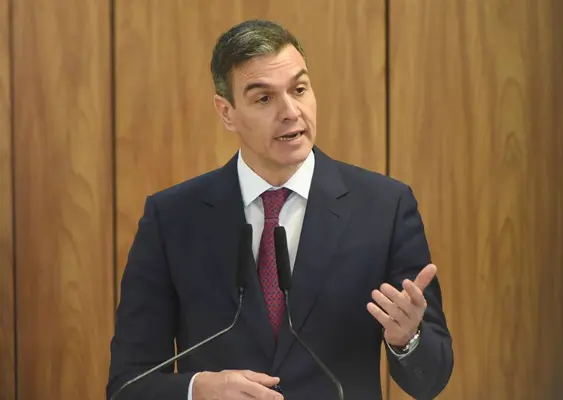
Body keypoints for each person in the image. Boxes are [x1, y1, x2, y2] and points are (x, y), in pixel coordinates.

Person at [107, 19, 453, 400]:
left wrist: (407, 339)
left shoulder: (385, 208)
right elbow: (127, 386)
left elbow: (430, 380)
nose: (291, 112)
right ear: (226, 112)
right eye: (264, 98)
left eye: (299, 89)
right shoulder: (172, 218)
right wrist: (196, 389)